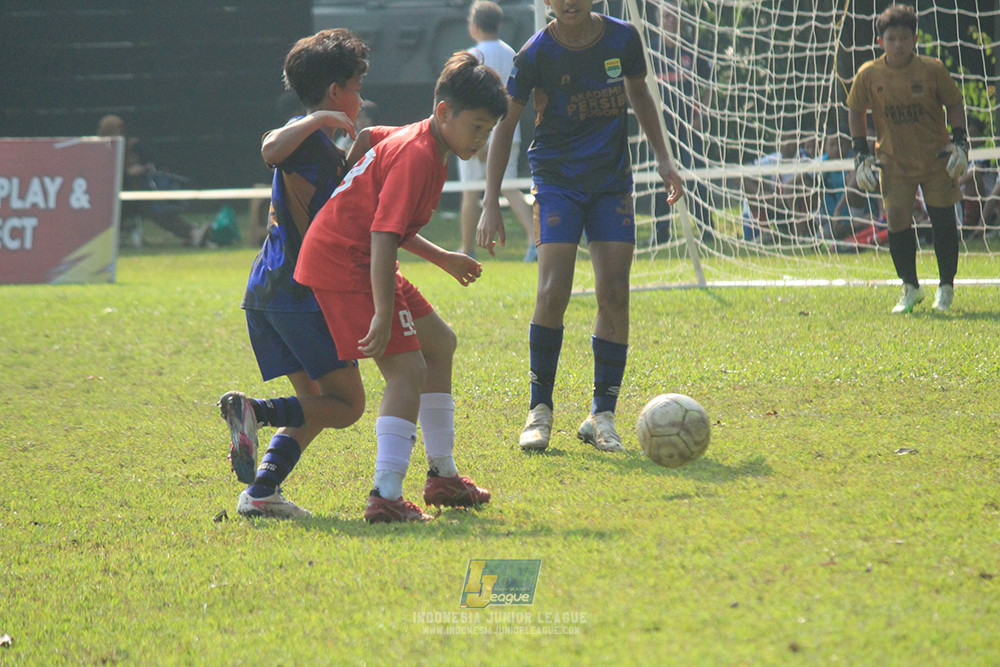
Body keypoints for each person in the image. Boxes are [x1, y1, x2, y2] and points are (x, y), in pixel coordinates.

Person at [294, 51, 507, 523]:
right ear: (444, 112)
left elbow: (370, 136)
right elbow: (383, 236)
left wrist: (444, 258)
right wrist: (384, 314)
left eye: (488, 130)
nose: (482, 138)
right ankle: (385, 495)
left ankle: (443, 476)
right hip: (345, 263)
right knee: (406, 370)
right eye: (477, 126)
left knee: (440, 344)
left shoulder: (423, 139)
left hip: (360, 256)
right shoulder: (418, 155)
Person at [476, 0, 685, 454]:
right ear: (547, 3)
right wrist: (490, 200)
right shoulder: (533, 54)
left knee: (614, 291)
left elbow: (641, 95)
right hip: (557, 182)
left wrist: (664, 159)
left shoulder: (623, 38)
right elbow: (506, 124)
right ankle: (539, 411)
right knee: (553, 291)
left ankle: (602, 416)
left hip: (611, 182)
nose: (569, 1)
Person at [217, 29, 371, 519]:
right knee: (347, 406)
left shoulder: (321, 148)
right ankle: (256, 412)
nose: (361, 98)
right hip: (300, 295)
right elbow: (269, 149)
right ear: (334, 93)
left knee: (312, 406)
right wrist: (322, 120)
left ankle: (261, 493)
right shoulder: (304, 136)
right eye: (357, 87)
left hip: (268, 290)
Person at [847, 4, 968, 313]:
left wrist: (960, 141)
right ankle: (910, 286)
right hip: (893, 160)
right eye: (891, 39)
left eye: (903, 38)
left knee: (942, 220)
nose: (897, 44)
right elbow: (855, 110)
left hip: (935, 157)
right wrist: (860, 151)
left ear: (915, 39)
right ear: (880, 42)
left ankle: (946, 287)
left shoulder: (932, 69)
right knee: (897, 219)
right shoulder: (869, 74)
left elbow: (955, 103)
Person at [457, 0, 536, 261]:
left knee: (471, 191)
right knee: (510, 187)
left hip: (476, 134)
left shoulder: (472, 55)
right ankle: (535, 240)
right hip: (507, 133)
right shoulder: (512, 52)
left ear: (475, 25)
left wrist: (479, 140)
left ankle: (467, 249)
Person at [649, 0, 714, 243]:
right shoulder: (651, 52)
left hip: (688, 129)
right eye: (667, 17)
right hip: (660, 130)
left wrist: (701, 114)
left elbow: (708, 85)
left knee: (696, 178)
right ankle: (660, 235)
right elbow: (639, 89)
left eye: (675, 17)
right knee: (659, 181)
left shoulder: (692, 51)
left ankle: (708, 232)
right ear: (659, 21)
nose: (671, 21)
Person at [97, 114, 211, 248]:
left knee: (157, 210)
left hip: (139, 195)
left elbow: (157, 161)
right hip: (110, 199)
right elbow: (103, 177)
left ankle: (193, 233)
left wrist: (145, 167)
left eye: (120, 129)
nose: (119, 133)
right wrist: (127, 174)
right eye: (114, 130)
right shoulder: (99, 151)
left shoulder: (134, 145)